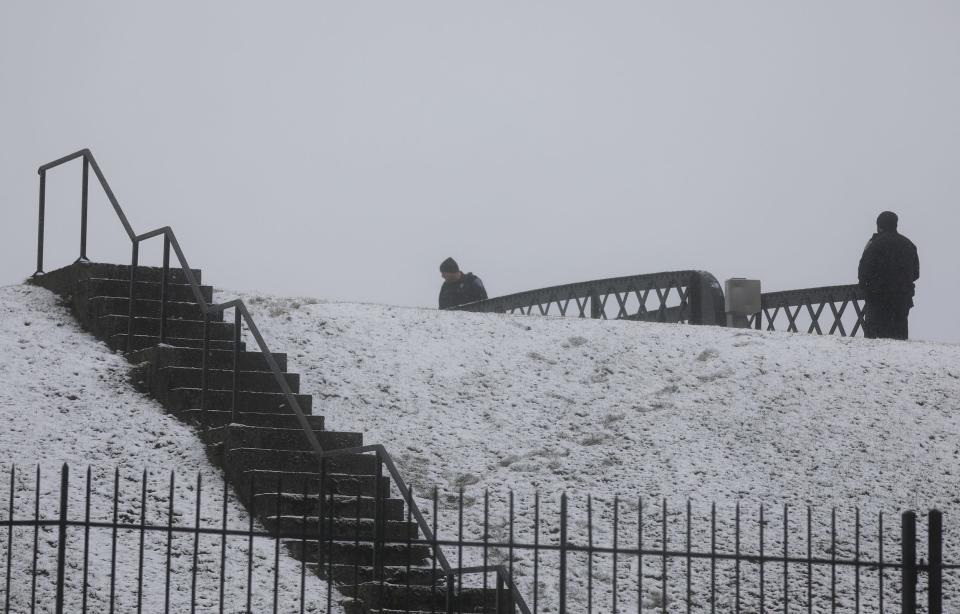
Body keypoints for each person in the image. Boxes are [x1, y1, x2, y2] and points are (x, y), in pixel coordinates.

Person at [857, 211, 919, 340]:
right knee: (899, 341)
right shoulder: (909, 245)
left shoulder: (874, 244)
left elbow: (863, 271)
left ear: (879, 226)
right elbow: (916, 274)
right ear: (895, 225)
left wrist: (867, 287)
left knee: (875, 343)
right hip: (901, 300)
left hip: (878, 300)